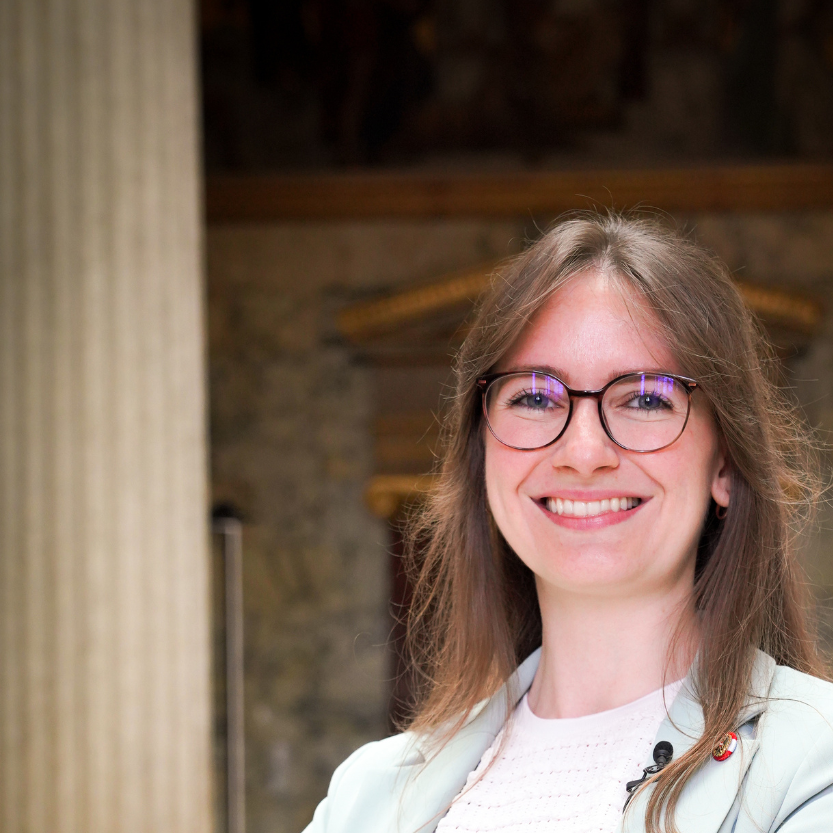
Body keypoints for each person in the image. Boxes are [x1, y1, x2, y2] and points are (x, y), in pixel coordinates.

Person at [304, 212, 833, 833]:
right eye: (534, 396)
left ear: (724, 463)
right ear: (484, 458)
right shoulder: (366, 795)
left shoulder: (810, 767)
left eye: (644, 397)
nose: (584, 453)